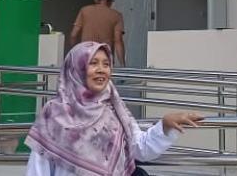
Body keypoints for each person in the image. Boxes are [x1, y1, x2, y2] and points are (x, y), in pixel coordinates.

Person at [26, 41, 202, 175]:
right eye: (93, 63)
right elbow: (38, 169)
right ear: (76, 68)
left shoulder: (113, 109)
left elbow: (139, 148)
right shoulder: (54, 113)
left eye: (106, 64)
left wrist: (165, 126)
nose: (101, 69)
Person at [70, 0, 126, 66]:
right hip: (104, 58)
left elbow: (73, 35)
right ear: (109, 1)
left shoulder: (84, 11)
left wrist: (75, 53)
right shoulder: (116, 15)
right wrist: (122, 64)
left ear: (96, 0)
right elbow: (118, 41)